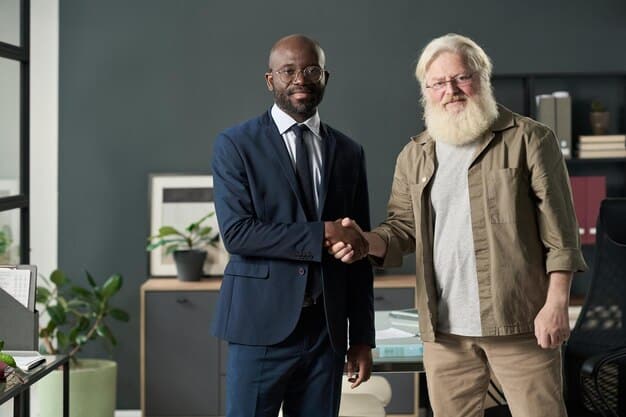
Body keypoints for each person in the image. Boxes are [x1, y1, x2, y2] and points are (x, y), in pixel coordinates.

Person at [329, 33, 587, 417]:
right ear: (426, 91)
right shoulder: (414, 155)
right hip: (444, 332)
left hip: (520, 323)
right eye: (437, 83)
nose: (450, 90)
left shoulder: (530, 139)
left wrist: (556, 304)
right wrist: (364, 242)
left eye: (461, 78)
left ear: (482, 77)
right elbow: (401, 231)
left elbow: (561, 233)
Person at [211, 34, 375, 417]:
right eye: (289, 70)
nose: (301, 78)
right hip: (259, 330)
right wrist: (322, 233)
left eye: (311, 70)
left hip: (327, 332)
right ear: (271, 80)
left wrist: (362, 338)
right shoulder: (235, 145)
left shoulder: (349, 152)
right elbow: (238, 233)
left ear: (325, 78)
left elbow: (359, 249)